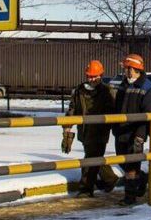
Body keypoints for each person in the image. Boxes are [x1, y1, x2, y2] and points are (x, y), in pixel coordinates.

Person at [62, 60, 119, 197]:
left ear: (101, 75)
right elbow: (72, 109)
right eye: (90, 76)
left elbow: (112, 111)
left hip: (100, 132)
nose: (92, 79)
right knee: (94, 157)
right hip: (85, 131)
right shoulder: (79, 90)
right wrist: (67, 127)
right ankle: (110, 179)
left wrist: (108, 126)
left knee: (90, 160)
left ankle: (86, 189)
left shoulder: (106, 91)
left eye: (95, 76)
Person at [113, 53, 151, 205]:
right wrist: (115, 128)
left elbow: (148, 114)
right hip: (121, 131)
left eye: (127, 68)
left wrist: (140, 135)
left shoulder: (148, 87)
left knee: (131, 166)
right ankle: (142, 178)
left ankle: (130, 197)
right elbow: (117, 107)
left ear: (134, 69)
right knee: (122, 160)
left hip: (136, 133)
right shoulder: (124, 84)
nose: (126, 71)